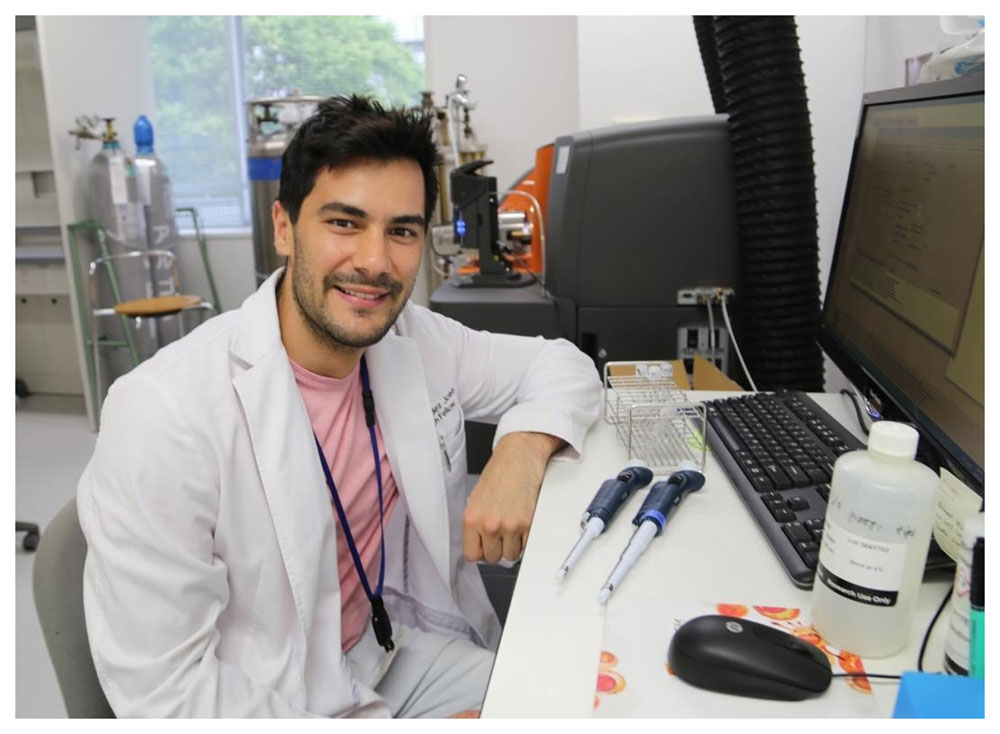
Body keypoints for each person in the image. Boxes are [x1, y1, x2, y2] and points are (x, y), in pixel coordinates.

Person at [77, 95, 602, 718]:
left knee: (580, 701)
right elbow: (169, 697)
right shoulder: (162, 414)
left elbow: (562, 364)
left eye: (401, 231)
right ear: (283, 227)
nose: (375, 262)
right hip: (272, 697)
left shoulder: (413, 338)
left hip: (392, 647)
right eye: (345, 223)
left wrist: (520, 451)